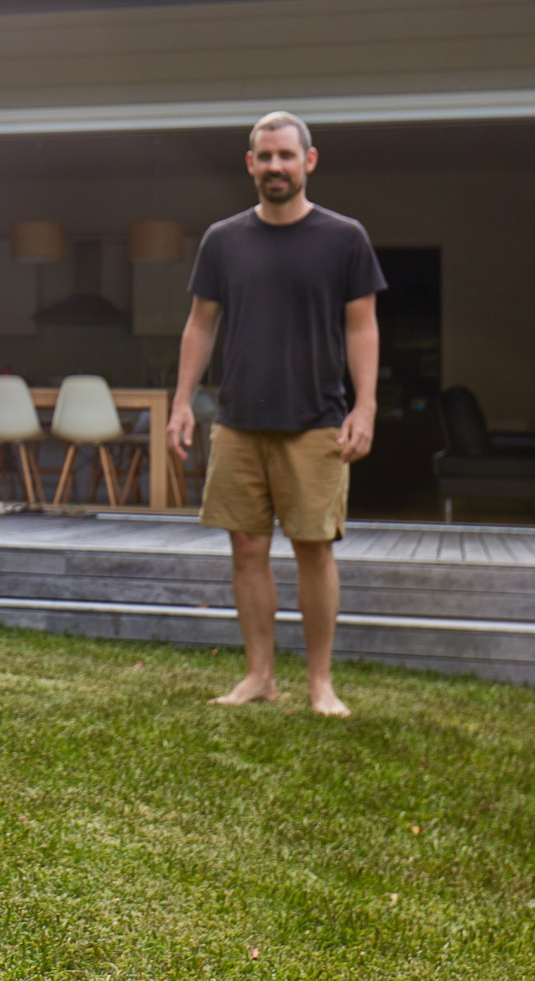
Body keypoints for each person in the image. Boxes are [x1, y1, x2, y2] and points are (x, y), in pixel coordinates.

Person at [167, 111, 383, 718]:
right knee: (246, 549)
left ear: (308, 161)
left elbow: (362, 326)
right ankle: (259, 676)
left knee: (314, 548)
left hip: (316, 419)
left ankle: (320, 683)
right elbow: (200, 324)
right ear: (250, 164)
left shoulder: (345, 238)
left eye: (286, 156)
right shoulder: (223, 239)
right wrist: (182, 402)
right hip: (238, 420)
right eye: (265, 157)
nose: (275, 167)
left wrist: (365, 407)